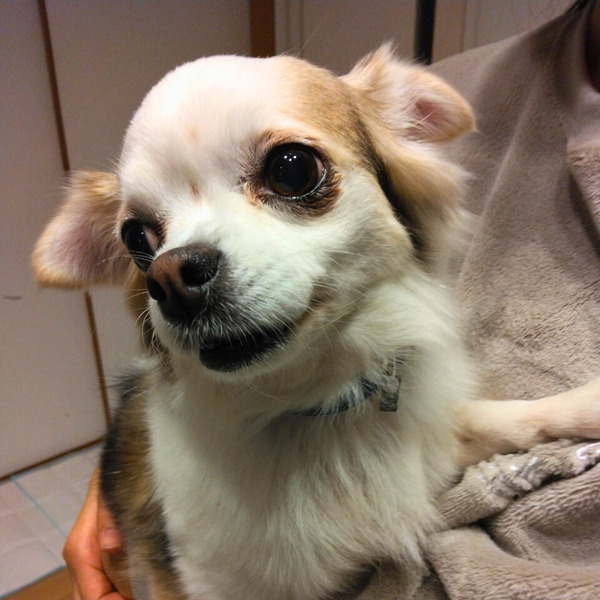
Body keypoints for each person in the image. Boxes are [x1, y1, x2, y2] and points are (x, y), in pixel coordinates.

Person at [63, 1, 600, 598]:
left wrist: (548, 419)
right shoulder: (489, 73)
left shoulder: (419, 378)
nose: (176, 268)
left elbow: (428, 440)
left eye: (290, 172)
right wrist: (120, 466)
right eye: (145, 239)